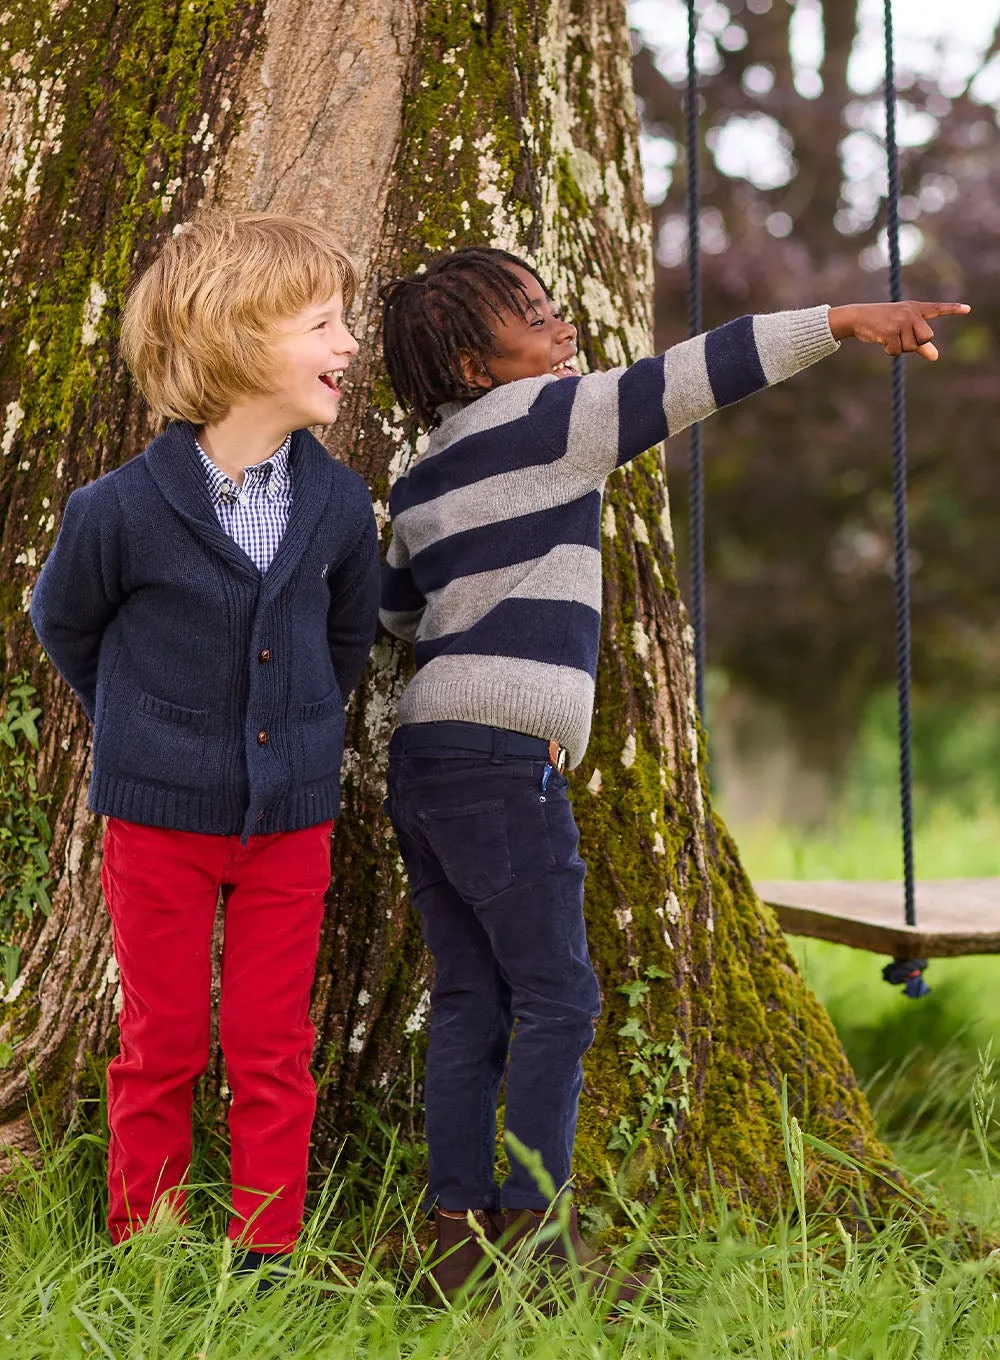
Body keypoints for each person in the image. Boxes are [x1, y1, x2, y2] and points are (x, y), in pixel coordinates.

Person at [377, 244, 969, 1299]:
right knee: (558, 997)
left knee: (471, 996)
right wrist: (840, 319)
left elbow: (395, 611)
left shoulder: (421, 472)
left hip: (426, 751)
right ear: (476, 368)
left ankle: (454, 1230)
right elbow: (692, 374)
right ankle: (535, 1234)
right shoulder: (553, 423)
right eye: (538, 319)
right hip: (503, 755)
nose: (565, 332)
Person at [30, 212, 379, 1283]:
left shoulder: (338, 502)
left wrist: (294, 734)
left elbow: (347, 634)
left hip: (291, 823)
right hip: (156, 824)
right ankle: (147, 1242)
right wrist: (145, 726)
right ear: (237, 340)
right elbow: (65, 623)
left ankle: (267, 1248)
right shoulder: (118, 510)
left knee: (274, 1046)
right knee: (164, 1039)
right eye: (323, 325)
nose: (348, 346)